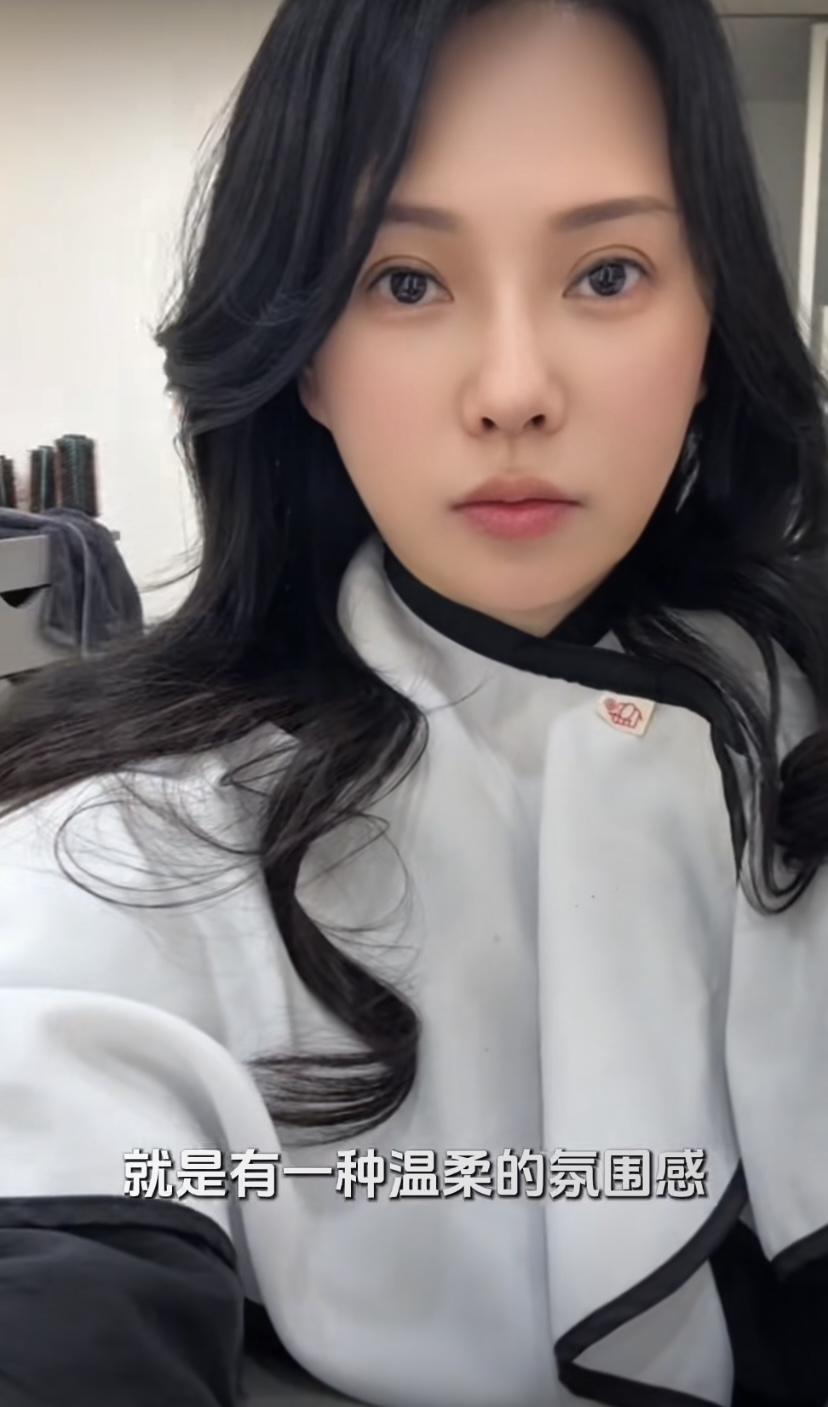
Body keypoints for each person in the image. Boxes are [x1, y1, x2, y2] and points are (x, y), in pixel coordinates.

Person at [1, 0, 827, 1403]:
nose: (513, 391)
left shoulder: (793, 727)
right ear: (305, 354)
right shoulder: (131, 843)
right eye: (403, 282)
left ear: (711, 328)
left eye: (609, 273)